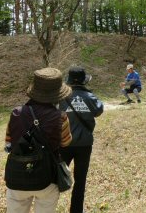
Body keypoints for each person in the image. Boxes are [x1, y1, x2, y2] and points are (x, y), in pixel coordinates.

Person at [4, 67, 72, 213]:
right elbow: (66, 142)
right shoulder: (61, 117)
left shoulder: (16, 113)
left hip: (17, 177)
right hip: (47, 177)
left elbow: (8, 143)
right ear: (57, 94)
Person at [59, 66, 104, 213]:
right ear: (84, 81)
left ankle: (47, 205)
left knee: (57, 175)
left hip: (64, 143)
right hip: (84, 145)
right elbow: (99, 110)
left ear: (69, 81)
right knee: (80, 180)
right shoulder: (90, 97)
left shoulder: (61, 98)